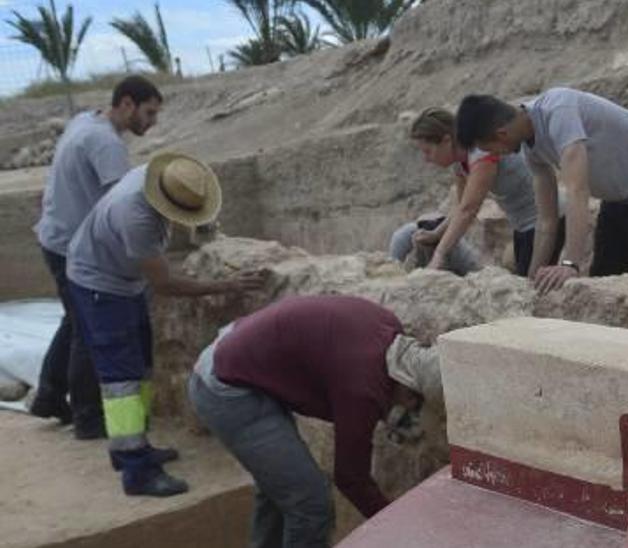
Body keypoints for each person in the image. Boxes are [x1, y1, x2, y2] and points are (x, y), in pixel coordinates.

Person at [66, 153, 266, 497]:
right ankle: (135, 469)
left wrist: (208, 231)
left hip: (125, 282)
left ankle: (133, 445)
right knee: (121, 380)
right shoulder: (136, 216)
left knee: (142, 365)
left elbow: (196, 220)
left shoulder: (168, 178)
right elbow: (166, 285)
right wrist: (227, 286)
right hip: (100, 285)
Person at [187, 295, 442, 547]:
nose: (409, 412)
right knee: (310, 502)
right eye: (415, 405)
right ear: (409, 390)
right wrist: (400, 527)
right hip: (226, 386)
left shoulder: (388, 326)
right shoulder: (362, 389)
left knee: (281, 486)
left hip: (238, 351)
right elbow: (350, 478)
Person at [29, 76, 163, 439]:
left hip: (55, 236)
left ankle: (50, 394)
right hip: (72, 247)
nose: (151, 123)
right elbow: (121, 207)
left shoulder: (84, 121)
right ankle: (89, 417)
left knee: (74, 320)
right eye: (148, 113)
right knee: (90, 331)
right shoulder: (108, 146)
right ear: (127, 104)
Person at [455, 88, 628, 293]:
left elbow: (577, 191)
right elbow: (546, 220)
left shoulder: (559, 110)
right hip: (616, 198)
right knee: (604, 278)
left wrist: (570, 263)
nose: (497, 155)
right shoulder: (530, 147)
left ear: (501, 134)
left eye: (489, 148)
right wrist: (531, 282)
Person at [404, 107, 565, 277]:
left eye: (428, 151)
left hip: (545, 222)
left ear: (446, 140)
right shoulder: (460, 161)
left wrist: (439, 255)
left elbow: (469, 210)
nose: (426, 159)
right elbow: (460, 206)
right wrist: (436, 234)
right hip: (523, 225)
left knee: (534, 285)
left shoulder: (481, 152)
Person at [386, 212, 483, 275]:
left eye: (433, 244)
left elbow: (477, 274)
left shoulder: (459, 247)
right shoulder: (402, 237)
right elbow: (391, 269)